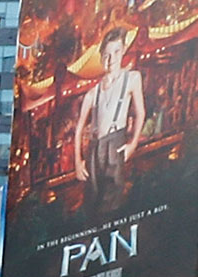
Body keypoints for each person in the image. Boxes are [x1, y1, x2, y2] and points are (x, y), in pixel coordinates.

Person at [72, 24, 146, 212]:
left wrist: (133, 144)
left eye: (116, 51)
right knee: (92, 200)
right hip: (94, 147)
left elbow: (140, 112)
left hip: (115, 142)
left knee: (112, 199)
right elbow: (79, 128)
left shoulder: (132, 78)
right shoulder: (92, 93)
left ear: (123, 50)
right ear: (101, 57)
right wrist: (78, 161)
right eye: (107, 54)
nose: (111, 58)